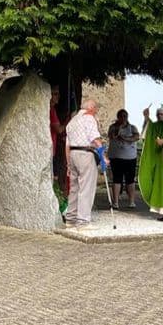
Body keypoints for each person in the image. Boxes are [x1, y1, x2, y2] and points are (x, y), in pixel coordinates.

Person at [64, 99, 106, 230]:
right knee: (86, 187)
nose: (96, 113)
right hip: (85, 153)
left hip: (73, 154)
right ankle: (83, 222)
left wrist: (68, 164)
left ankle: (70, 219)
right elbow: (95, 138)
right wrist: (103, 156)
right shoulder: (89, 118)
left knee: (74, 188)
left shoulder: (72, 121)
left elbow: (67, 145)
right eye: (96, 110)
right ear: (91, 108)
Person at [107, 109, 140, 209]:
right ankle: (115, 202)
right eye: (121, 116)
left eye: (125, 116)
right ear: (118, 117)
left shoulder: (132, 127)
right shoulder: (113, 127)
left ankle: (131, 201)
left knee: (130, 180)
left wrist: (126, 138)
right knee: (117, 179)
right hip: (116, 157)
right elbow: (111, 136)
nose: (123, 118)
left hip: (130, 157)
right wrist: (119, 128)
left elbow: (136, 137)